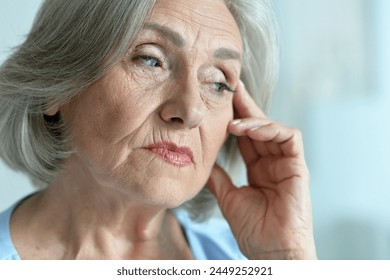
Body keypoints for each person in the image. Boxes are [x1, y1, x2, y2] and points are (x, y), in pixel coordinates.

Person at [0, 0, 317, 259]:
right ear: (56, 87)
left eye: (219, 83)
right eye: (151, 60)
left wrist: (288, 259)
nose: (191, 111)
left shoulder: (249, 259)